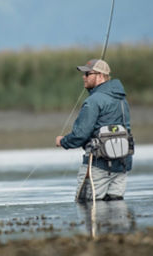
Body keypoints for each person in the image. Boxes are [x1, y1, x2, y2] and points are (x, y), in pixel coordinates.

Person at [56, 59, 133, 202]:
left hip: (97, 166)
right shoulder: (123, 100)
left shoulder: (93, 101)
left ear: (100, 76)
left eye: (87, 73)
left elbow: (80, 135)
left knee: (86, 207)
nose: (83, 77)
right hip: (123, 165)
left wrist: (63, 141)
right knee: (116, 214)